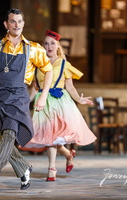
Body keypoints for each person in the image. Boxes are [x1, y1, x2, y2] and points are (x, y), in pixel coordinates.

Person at [0, 9, 53, 194]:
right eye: (12, 21)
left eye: (19, 21)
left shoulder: (33, 48)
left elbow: (48, 70)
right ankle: (24, 168)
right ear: (6, 24)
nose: (16, 25)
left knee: (9, 135)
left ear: (23, 24)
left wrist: (43, 95)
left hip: (18, 97)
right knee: (3, 141)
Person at [22, 30, 97, 181]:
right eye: (46, 43)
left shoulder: (64, 64)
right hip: (42, 103)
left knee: (53, 138)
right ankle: (69, 154)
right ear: (43, 46)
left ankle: (52, 169)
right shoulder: (38, 65)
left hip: (60, 103)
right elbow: (35, 88)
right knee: (52, 138)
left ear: (57, 46)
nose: (49, 46)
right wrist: (25, 103)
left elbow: (70, 87)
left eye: (52, 43)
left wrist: (79, 99)